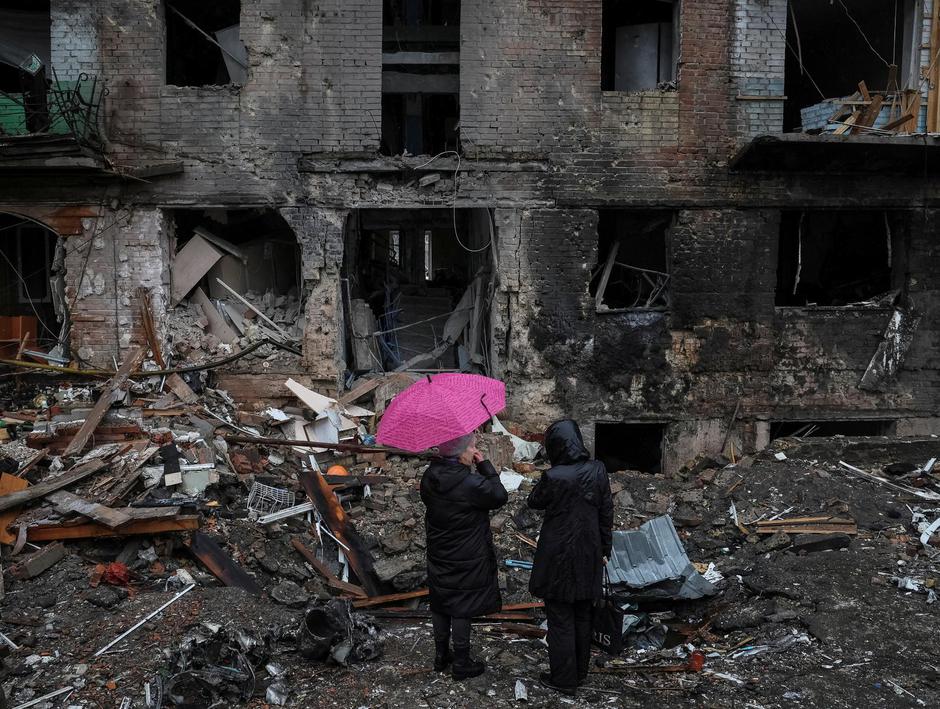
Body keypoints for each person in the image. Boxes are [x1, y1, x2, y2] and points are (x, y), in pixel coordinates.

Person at [527, 419, 613, 696]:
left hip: (559, 556)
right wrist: (604, 550)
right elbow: (606, 512)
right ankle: (579, 672)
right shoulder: (598, 470)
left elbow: (534, 501)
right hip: (589, 553)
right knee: (583, 614)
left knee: (561, 618)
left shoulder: (554, 476)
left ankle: (564, 679)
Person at [420, 432, 508, 680]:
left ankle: (440, 656)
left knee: (441, 601)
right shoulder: (469, 484)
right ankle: (461, 661)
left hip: (439, 549)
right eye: (472, 447)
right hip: (467, 554)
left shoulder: (430, 477)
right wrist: (485, 465)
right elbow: (500, 496)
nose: (475, 451)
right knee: (461, 606)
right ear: (459, 453)